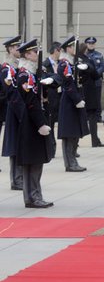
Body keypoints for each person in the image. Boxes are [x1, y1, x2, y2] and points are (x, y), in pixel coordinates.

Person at [14, 39, 55, 207]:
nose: (37, 55)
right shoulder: (25, 75)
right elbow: (31, 101)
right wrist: (40, 124)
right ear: (27, 54)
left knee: (35, 161)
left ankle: (33, 196)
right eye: (34, 52)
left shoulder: (32, 73)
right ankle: (33, 197)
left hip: (34, 120)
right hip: (31, 123)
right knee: (33, 161)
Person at [55, 35, 89, 172]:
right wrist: (76, 99)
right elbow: (68, 84)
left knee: (75, 133)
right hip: (69, 102)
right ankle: (70, 163)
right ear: (68, 48)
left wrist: (83, 69)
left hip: (76, 99)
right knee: (69, 134)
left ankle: (73, 160)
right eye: (73, 46)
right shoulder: (64, 64)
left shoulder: (73, 63)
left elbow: (80, 80)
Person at [2, 36, 24, 187]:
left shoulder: (17, 67)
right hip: (14, 109)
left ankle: (19, 178)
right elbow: (10, 91)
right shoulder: (7, 68)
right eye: (17, 48)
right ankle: (16, 180)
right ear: (10, 49)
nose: (19, 50)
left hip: (20, 108)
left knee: (20, 143)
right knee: (15, 145)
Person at [80, 37, 104, 148]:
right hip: (89, 90)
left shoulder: (76, 59)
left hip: (80, 90)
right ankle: (94, 140)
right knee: (92, 115)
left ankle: (75, 143)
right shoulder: (87, 60)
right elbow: (95, 74)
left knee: (81, 115)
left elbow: (101, 68)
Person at [41, 42, 62, 135]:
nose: (60, 52)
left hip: (61, 95)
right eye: (59, 50)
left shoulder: (61, 63)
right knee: (51, 121)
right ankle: (51, 142)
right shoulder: (45, 64)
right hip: (51, 95)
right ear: (55, 51)